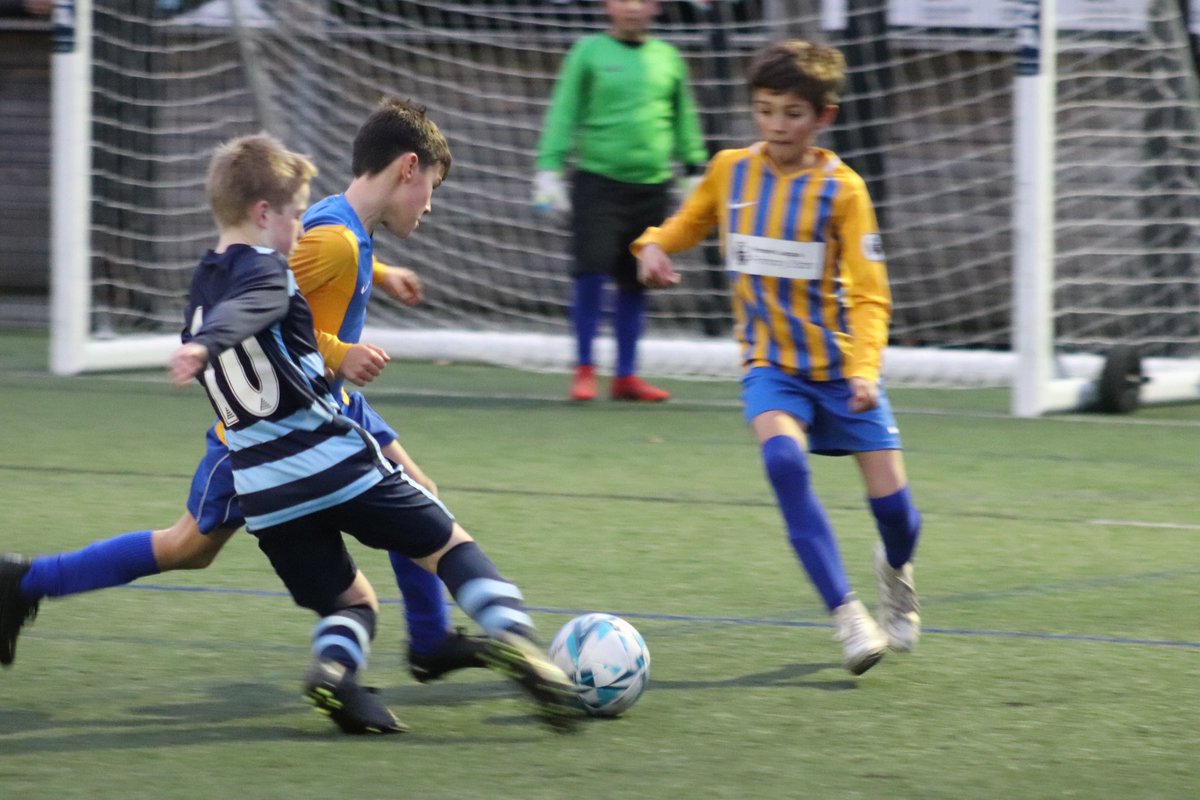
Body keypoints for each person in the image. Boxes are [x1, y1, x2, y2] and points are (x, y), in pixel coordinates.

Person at [0, 99, 489, 685]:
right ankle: (25, 581)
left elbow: (310, 261)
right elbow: (266, 301)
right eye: (431, 186)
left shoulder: (343, 222)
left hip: (323, 407)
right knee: (186, 546)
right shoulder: (332, 241)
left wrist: (381, 275)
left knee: (418, 490)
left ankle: (430, 641)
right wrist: (339, 352)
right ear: (407, 168)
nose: (430, 204)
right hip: (273, 425)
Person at [177, 132, 578, 733]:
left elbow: (240, 313)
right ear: (266, 214)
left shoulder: (201, 291)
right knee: (450, 546)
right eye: (292, 215)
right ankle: (519, 641)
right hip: (327, 453)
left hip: (262, 489)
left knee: (353, 604)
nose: (300, 226)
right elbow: (261, 303)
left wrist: (201, 341)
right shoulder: (278, 269)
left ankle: (337, 674)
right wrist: (231, 345)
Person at [633, 40, 922, 676]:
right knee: (784, 461)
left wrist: (866, 370)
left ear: (824, 117)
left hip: (843, 373)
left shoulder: (844, 192)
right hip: (771, 368)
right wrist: (653, 247)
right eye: (764, 110)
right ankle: (847, 615)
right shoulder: (731, 171)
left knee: (900, 517)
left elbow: (872, 296)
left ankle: (895, 569)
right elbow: (686, 224)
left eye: (792, 113)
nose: (775, 126)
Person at [533, 0, 708, 402]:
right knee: (591, 272)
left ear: (656, 7)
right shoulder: (588, 52)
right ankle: (584, 369)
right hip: (598, 184)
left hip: (653, 186)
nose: (632, 7)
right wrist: (549, 168)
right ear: (606, 5)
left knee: (638, 280)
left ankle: (626, 375)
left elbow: (685, 119)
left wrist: (695, 169)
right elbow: (564, 112)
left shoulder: (668, 58)